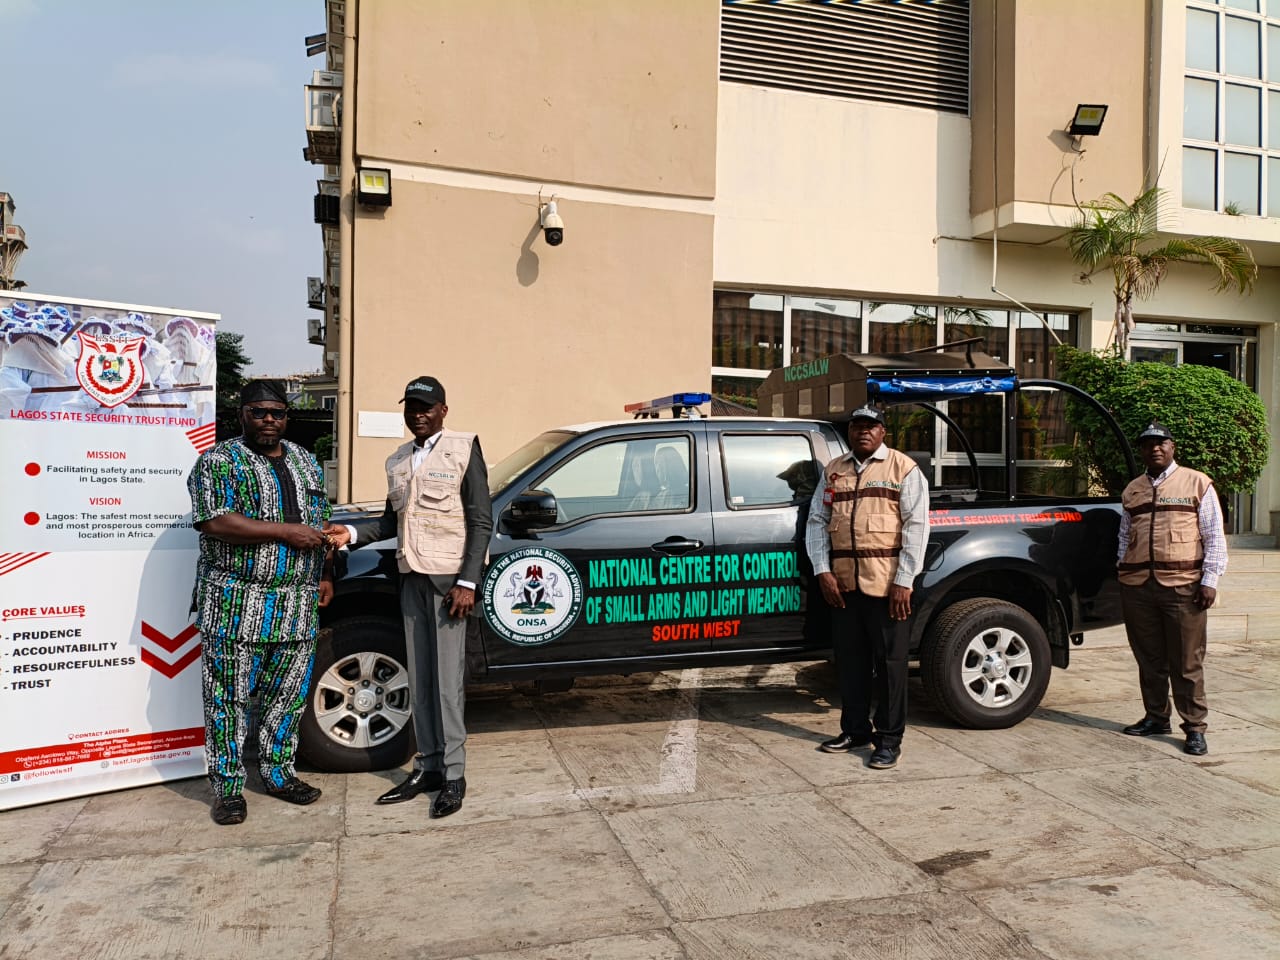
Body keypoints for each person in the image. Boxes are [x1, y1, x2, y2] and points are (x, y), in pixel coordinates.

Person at [326, 375, 492, 818]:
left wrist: (468, 582)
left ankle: (454, 775)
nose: (418, 414)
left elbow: (480, 521)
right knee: (419, 681)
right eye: (411, 407)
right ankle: (429, 766)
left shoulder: (463, 447)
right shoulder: (398, 460)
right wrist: (349, 534)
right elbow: (388, 524)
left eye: (426, 407)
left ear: (443, 410)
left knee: (446, 686)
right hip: (411, 580)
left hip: (448, 584)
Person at [187, 380, 334, 825]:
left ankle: (278, 774)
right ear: (242, 414)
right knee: (226, 701)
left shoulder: (307, 462)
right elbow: (213, 521)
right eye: (260, 412)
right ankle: (229, 789)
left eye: (277, 413)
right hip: (235, 604)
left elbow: (321, 521)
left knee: (286, 698)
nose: (270, 420)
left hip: (296, 605)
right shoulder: (218, 462)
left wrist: (327, 573)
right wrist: (283, 531)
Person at [805, 405, 930, 770]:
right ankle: (855, 729)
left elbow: (917, 527)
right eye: (858, 426)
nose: (863, 432)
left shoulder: (903, 469)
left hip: (887, 588)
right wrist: (822, 570)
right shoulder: (834, 470)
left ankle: (889, 740)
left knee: (890, 666)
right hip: (843, 587)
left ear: (882, 433)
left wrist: (905, 581)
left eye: (871, 426)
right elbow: (817, 520)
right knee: (851, 664)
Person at [1116, 421, 1227, 756]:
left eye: (1161, 443)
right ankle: (1155, 717)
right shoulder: (1133, 489)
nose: (1155, 449)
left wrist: (1210, 580)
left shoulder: (1197, 483)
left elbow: (1214, 536)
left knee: (1186, 662)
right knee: (1149, 659)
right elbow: (1124, 537)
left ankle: (1194, 727)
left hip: (1183, 588)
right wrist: (1121, 569)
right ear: (1142, 450)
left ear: (1172, 446)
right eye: (1148, 444)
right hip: (1138, 588)